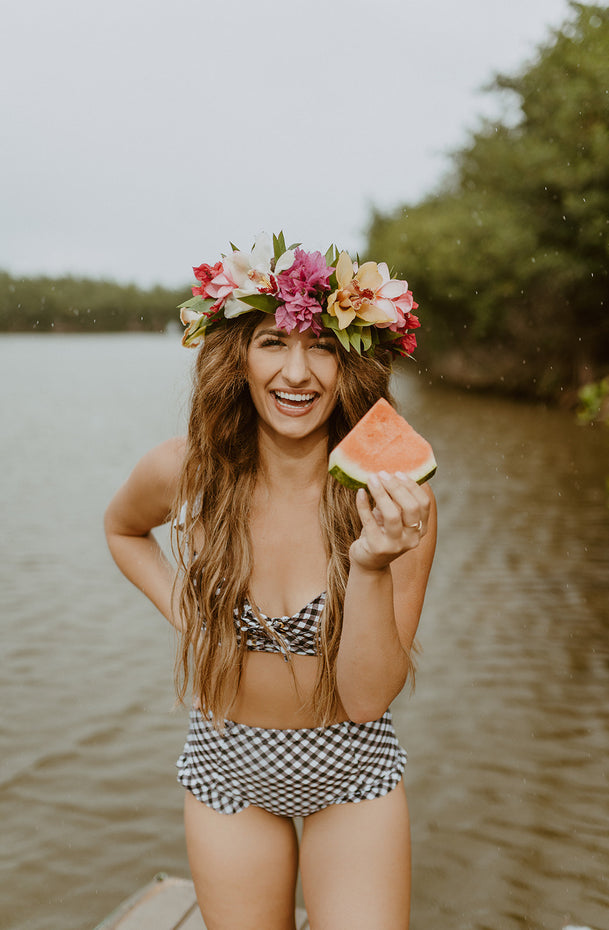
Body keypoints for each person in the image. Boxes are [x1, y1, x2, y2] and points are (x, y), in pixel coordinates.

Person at [104, 233, 437, 930]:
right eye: (273, 343)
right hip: (228, 766)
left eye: (322, 347)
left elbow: (369, 695)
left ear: (351, 369)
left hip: (352, 768)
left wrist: (371, 563)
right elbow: (122, 530)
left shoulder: (395, 501)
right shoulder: (184, 472)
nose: (299, 371)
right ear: (239, 362)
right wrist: (187, 616)